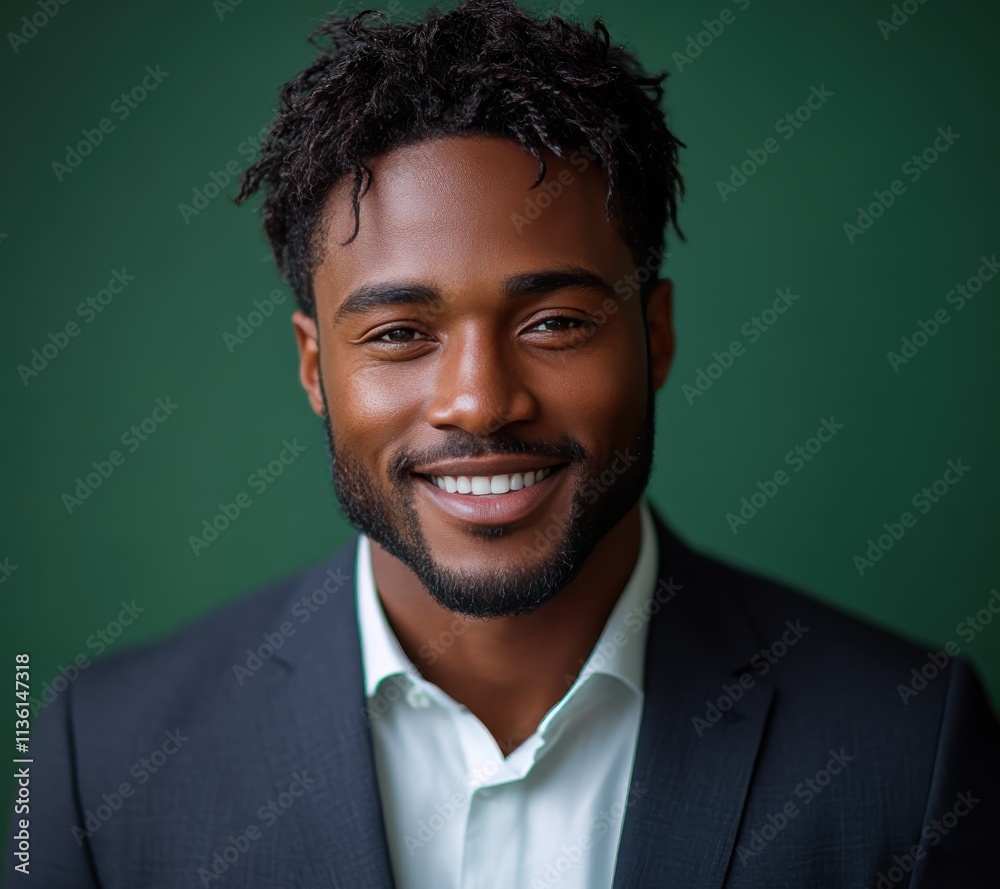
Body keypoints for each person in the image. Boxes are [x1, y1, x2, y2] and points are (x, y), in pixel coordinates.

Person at [9, 1, 997, 886]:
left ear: (654, 335)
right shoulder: (98, 754)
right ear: (314, 368)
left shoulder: (908, 746)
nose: (479, 402)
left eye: (555, 322)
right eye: (399, 334)